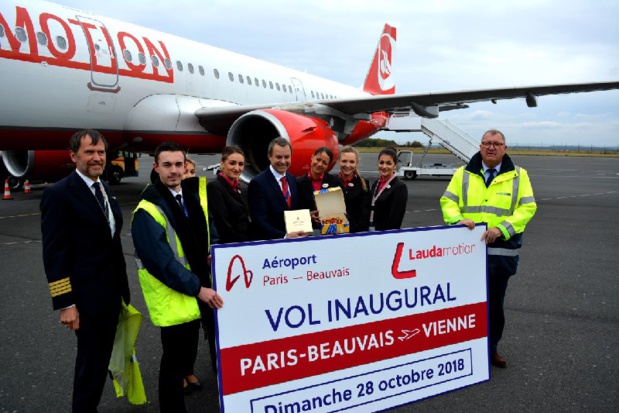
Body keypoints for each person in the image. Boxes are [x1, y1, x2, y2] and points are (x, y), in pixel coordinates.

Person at [40, 129, 131, 413]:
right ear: (73, 156)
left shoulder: (104, 188)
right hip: (86, 299)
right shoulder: (59, 194)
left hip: (111, 294)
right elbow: (54, 255)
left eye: (101, 152)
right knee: (91, 365)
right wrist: (65, 303)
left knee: (101, 358)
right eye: (89, 152)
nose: (96, 158)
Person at [131, 141, 223, 413]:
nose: (173, 170)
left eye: (178, 164)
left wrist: (210, 255)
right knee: (173, 364)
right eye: (167, 165)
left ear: (185, 166)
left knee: (185, 359)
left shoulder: (191, 198)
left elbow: (201, 239)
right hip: (175, 297)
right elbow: (162, 263)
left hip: (196, 293)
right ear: (156, 167)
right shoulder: (147, 210)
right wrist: (199, 288)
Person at [440, 129, 537, 368]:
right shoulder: (462, 173)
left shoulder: (519, 175)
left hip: (499, 253)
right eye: (486, 143)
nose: (491, 147)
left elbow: (527, 208)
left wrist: (502, 229)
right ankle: (463, 346)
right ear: (480, 146)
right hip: (466, 254)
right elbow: (448, 201)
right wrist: (456, 220)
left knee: (494, 305)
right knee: (462, 303)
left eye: (497, 143)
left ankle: (491, 348)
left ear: (505, 148)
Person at [247, 137, 306, 240]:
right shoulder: (258, 183)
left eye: (286, 157)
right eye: (278, 157)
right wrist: (284, 236)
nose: (283, 161)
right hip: (271, 245)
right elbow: (259, 221)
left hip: (294, 242)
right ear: (269, 157)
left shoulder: (291, 179)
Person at [207, 146, 251, 243]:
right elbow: (222, 224)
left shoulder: (240, 188)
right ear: (222, 164)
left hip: (245, 243)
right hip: (231, 246)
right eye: (232, 163)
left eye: (241, 164)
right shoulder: (214, 187)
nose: (237, 168)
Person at [296, 146, 342, 232]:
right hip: (305, 231)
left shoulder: (335, 182)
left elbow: (342, 209)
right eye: (318, 159)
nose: (320, 164)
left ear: (328, 165)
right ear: (312, 157)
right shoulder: (298, 183)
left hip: (330, 231)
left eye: (324, 163)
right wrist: (307, 216)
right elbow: (294, 210)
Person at [368, 147, 408, 230]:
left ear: (395, 165)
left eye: (389, 163)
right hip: (371, 230)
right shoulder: (376, 183)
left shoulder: (399, 187)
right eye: (381, 163)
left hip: (384, 233)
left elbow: (396, 218)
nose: (384, 166)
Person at [338, 146, 370, 233]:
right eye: (344, 161)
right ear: (338, 162)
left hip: (354, 233)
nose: (347, 165)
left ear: (356, 163)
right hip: (333, 232)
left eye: (351, 162)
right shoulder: (331, 181)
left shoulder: (363, 184)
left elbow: (365, 214)